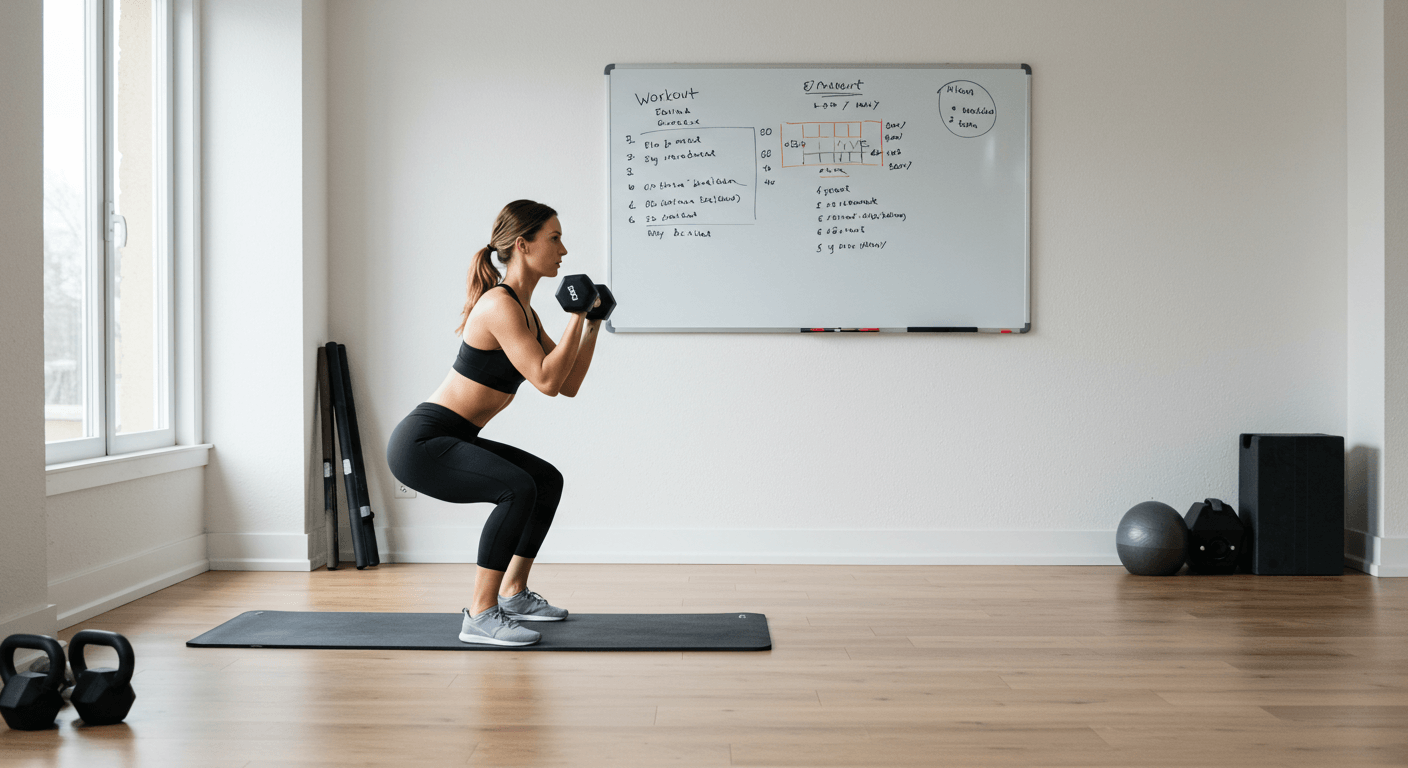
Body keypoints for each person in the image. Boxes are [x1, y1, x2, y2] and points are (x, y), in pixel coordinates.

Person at [386, 200, 602, 646]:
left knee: (545, 480)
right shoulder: (499, 306)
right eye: (554, 238)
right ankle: (481, 613)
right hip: (424, 442)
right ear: (523, 245)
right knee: (517, 487)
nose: (564, 250)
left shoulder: (525, 310)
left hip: (454, 436)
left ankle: (514, 594)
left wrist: (591, 325)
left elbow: (568, 382)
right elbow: (544, 379)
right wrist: (576, 317)